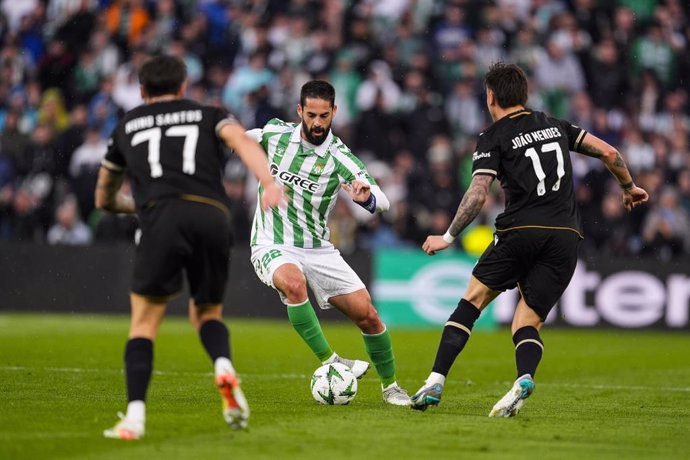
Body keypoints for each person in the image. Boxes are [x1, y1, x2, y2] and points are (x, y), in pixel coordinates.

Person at [410, 62, 649, 416]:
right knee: (526, 323)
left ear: (491, 97)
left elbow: (478, 193)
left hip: (519, 231)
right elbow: (610, 153)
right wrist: (628, 187)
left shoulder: (493, 136)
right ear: (525, 95)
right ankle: (523, 377)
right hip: (566, 237)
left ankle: (435, 381)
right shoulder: (555, 125)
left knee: (472, 301)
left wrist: (448, 235)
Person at [96, 55, 283, 439]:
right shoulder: (209, 114)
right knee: (208, 313)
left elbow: (104, 197)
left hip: (162, 218)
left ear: (143, 91)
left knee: (144, 324)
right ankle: (223, 367)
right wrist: (268, 181)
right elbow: (242, 142)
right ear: (183, 86)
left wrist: (141, 205)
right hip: (212, 216)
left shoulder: (126, 126)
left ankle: (134, 417)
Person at [247, 80, 411, 406]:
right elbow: (240, 137)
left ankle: (391, 387)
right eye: (311, 115)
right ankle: (331, 360)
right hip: (271, 242)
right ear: (299, 111)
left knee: (369, 316)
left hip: (318, 248)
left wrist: (367, 199)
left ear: (334, 112)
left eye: (324, 115)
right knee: (294, 284)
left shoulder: (340, 157)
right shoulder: (275, 135)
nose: (318, 123)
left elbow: (382, 201)